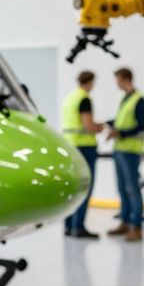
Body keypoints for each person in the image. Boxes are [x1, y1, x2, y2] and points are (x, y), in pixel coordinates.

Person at [61, 70, 104, 239]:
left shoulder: (70, 97)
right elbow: (88, 126)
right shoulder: (84, 99)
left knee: (73, 187)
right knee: (84, 188)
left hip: (71, 145)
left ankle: (69, 225)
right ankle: (78, 227)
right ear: (90, 82)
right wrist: (101, 127)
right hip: (85, 147)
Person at [106, 67, 144, 242]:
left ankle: (136, 227)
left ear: (125, 79)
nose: (116, 84)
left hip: (131, 151)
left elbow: (141, 126)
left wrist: (120, 133)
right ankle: (125, 222)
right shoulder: (125, 99)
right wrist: (105, 124)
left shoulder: (139, 100)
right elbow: (121, 121)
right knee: (122, 188)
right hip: (119, 149)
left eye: (117, 80)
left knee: (132, 189)